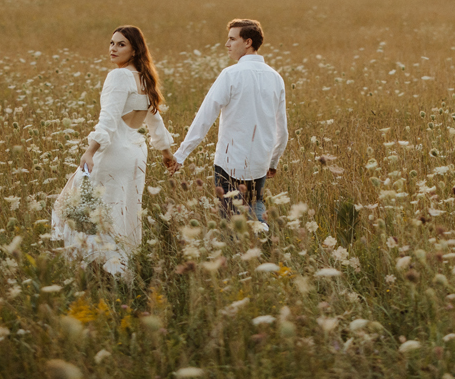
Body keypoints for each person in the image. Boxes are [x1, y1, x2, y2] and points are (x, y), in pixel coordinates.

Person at [53, 26, 175, 276]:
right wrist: (166, 153)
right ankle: (120, 267)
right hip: (135, 156)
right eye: (112, 43)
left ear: (135, 49)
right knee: (124, 210)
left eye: (121, 44)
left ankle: (93, 267)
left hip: (113, 153)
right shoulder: (145, 78)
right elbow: (155, 121)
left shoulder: (119, 76)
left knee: (82, 208)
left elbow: (108, 120)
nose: (113, 48)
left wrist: (90, 151)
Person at [167, 18, 287, 225]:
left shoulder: (230, 75)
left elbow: (205, 117)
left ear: (247, 42)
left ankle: (245, 243)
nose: (227, 44)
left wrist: (181, 154)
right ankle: (263, 237)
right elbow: (282, 130)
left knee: (232, 224)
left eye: (232, 39)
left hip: (230, 165)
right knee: (256, 210)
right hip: (260, 163)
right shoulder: (275, 77)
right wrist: (273, 162)